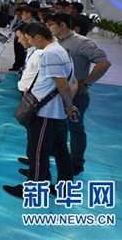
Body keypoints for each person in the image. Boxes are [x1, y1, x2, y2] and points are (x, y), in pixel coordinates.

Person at [3, 23, 79, 198]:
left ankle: (33, 189)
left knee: (38, 153)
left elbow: (62, 84)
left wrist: (69, 105)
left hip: (46, 113)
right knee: (61, 151)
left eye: (30, 39)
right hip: (55, 112)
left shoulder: (51, 53)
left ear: (38, 37)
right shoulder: (60, 49)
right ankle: (64, 188)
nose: (29, 42)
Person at [46, 12, 111, 176]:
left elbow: (104, 63)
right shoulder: (55, 42)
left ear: (62, 25)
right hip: (57, 94)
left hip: (77, 95)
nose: (48, 27)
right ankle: (55, 157)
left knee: (75, 129)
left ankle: (76, 162)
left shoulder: (82, 42)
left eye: (51, 24)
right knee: (56, 127)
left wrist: (87, 82)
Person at [14, 23, 45, 175]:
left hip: (35, 99)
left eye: (21, 38)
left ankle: (36, 172)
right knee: (31, 133)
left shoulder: (40, 54)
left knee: (36, 136)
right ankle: (32, 159)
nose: (20, 41)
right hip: (28, 95)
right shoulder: (32, 51)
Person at [9, 7, 38, 72]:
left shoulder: (34, 24)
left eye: (23, 14)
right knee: (19, 54)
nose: (21, 16)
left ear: (29, 14)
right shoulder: (22, 22)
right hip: (20, 41)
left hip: (28, 45)